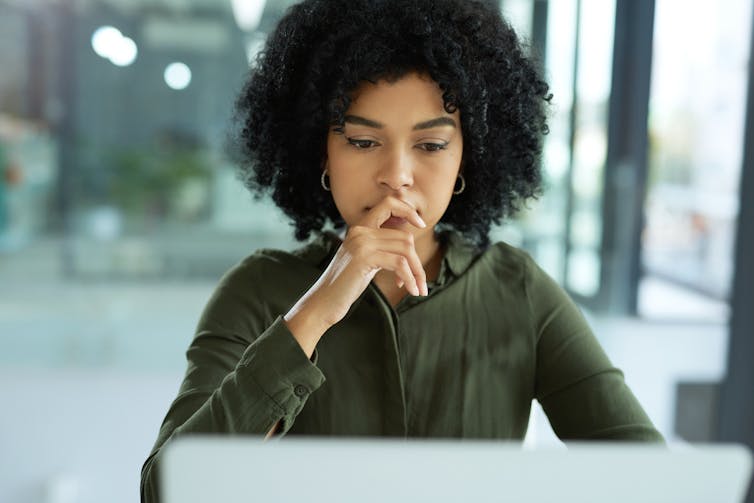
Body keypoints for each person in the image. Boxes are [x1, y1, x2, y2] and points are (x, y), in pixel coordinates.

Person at [141, 0, 663, 500]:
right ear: (320, 150)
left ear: (469, 157)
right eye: (363, 142)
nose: (396, 176)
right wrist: (317, 310)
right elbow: (167, 490)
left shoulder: (519, 292)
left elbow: (653, 480)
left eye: (432, 145)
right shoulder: (257, 290)